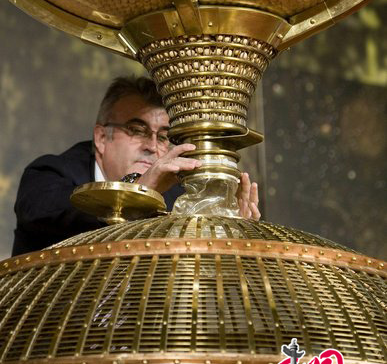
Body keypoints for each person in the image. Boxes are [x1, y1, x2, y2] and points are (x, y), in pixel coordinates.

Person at [12, 77, 260, 256]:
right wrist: (136, 192)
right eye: (137, 130)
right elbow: (52, 216)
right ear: (101, 138)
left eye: (164, 136)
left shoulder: (176, 198)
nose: (152, 146)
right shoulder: (47, 175)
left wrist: (232, 234)